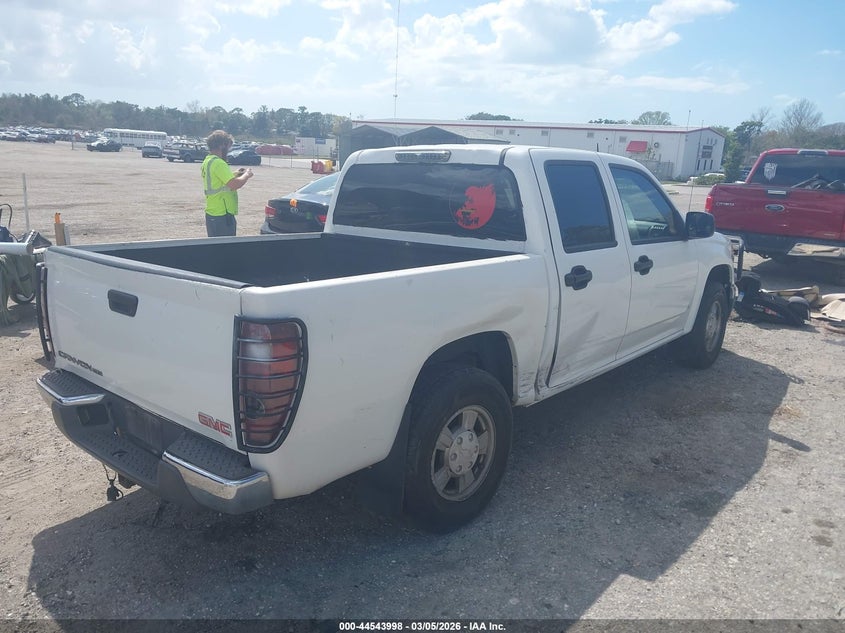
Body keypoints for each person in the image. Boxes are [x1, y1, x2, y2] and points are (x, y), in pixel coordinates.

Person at [201, 130, 254, 237]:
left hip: (213, 212)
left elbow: (219, 181)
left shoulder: (208, 161)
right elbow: (234, 185)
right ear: (222, 146)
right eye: (228, 146)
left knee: (217, 249)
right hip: (222, 214)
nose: (228, 150)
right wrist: (247, 174)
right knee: (226, 249)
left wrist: (235, 174)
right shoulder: (219, 163)